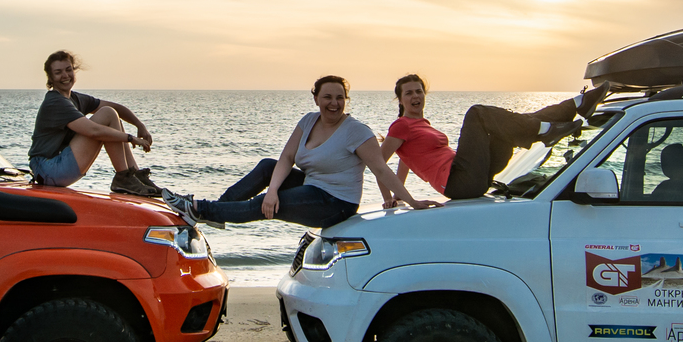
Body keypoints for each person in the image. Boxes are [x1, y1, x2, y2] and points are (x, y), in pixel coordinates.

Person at [163, 76, 430, 229]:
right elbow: (285, 159)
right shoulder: (307, 121)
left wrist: (410, 201)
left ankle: (200, 209)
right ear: (316, 99)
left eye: (340, 98)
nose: (334, 103)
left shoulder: (356, 131)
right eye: (327, 97)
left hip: (336, 203)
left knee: (269, 205)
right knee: (268, 167)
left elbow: (381, 169)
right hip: (313, 187)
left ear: (346, 100)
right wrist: (272, 189)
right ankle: (219, 211)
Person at [381, 74, 587, 202]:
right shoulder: (401, 125)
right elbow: (379, 164)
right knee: (477, 113)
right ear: (400, 99)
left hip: (477, 178)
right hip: (459, 182)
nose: (415, 96)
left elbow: (406, 160)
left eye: (419, 91)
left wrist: (398, 194)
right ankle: (550, 125)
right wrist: (388, 198)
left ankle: (572, 108)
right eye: (408, 93)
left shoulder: (421, 125)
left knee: (508, 125)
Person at [26, 51, 160, 196]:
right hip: (46, 169)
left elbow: (116, 108)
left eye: (68, 70)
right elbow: (93, 131)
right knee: (107, 114)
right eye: (58, 72)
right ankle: (123, 177)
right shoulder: (55, 102)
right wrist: (130, 138)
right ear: (51, 78)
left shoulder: (75, 98)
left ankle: (134, 176)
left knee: (111, 114)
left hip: (56, 168)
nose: (65, 75)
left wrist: (140, 125)